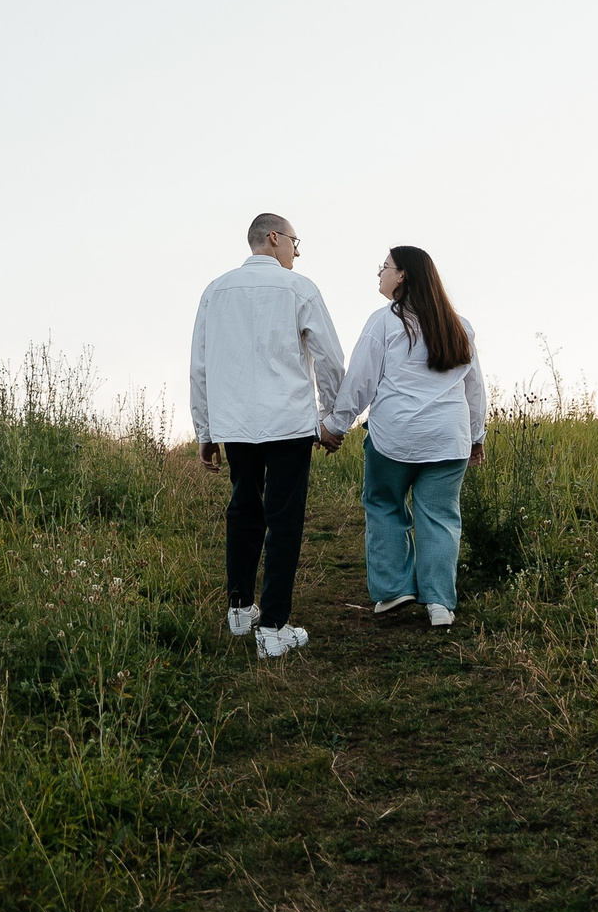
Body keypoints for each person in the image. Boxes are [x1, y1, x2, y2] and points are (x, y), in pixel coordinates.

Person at [190, 212, 347, 659]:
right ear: (274, 237)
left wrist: (206, 430)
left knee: (243, 509)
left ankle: (240, 609)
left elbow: (200, 365)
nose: (297, 252)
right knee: (284, 520)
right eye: (296, 242)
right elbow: (330, 359)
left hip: (235, 425)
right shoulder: (300, 288)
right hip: (288, 424)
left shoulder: (214, 291)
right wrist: (330, 418)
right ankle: (274, 628)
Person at [324, 245, 483, 628]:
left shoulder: (384, 322)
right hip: (448, 439)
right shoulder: (458, 325)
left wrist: (334, 425)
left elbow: (361, 381)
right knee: (441, 517)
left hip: (394, 436)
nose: (379, 273)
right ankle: (440, 604)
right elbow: (475, 388)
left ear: (404, 276)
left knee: (384, 504)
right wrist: (476, 436)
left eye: (385, 267)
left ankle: (395, 589)